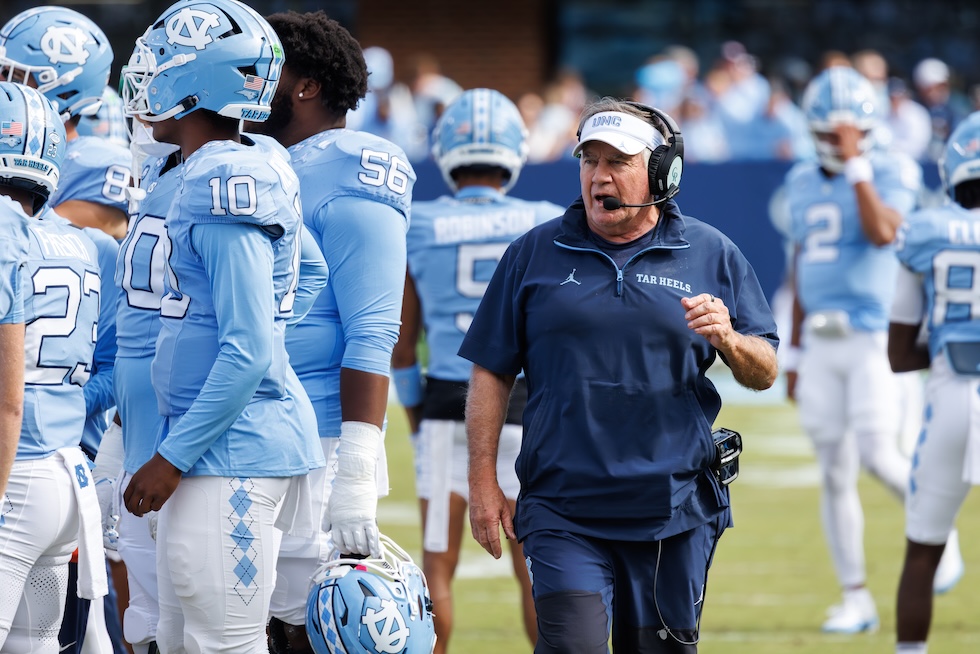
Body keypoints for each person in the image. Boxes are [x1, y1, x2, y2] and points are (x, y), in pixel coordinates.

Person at [460, 97, 778, 653]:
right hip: (562, 509)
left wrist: (729, 339)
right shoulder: (534, 253)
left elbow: (766, 369)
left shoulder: (711, 253)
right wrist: (483, 483)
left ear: (660, 172)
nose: (599, 178)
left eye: (618, 162)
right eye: (589, 161)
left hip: (673, 510)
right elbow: (491, 370)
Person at [119, 1, 327, 651]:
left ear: (201, 82)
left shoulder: (227, 176)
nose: (148, 74)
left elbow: (248, 347)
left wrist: (170, 459)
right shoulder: (247, 160)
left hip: (228, 454)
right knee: (186, 640)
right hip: (220, 443)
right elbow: (306, 275)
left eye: (164, 61)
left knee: (224, 642)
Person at [243, 10, 416, 651]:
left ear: (308, 85)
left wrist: (355, 473)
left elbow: (374, 326)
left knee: (301, 626)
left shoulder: (351, 165)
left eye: (266, 72)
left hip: (314, 442)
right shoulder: (264, 163)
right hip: (250, 427)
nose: (250, 86)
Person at [783, 65, 962, 634]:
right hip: (821, 343)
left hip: (871, 336)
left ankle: (943, 533)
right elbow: (802, 259)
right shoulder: (800, 180)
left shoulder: (890, 167)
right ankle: (855, 596)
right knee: (834, 471)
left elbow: (885, 231)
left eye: (846, 134)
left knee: (880, 452)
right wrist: (791, 348)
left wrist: (857, 163)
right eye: (829, 137)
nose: (836, 145)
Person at [391, 87, 562, 654]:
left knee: (436, 563)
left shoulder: (418, 224)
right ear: (514, 150)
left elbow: (400, 345)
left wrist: (416, 415)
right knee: (534, 565)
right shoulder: (543, 221)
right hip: (523, 413)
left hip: (445, 409)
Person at [0, 80, 109, 651]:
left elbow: (6, 397)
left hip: (13, 471)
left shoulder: (1, 231)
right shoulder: (80, 244)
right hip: (67, 475)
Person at [890, 110, 980, 654]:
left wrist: (950, 346)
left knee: (924, 549)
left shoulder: (924, 230)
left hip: (953, 395)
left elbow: (900, 355)